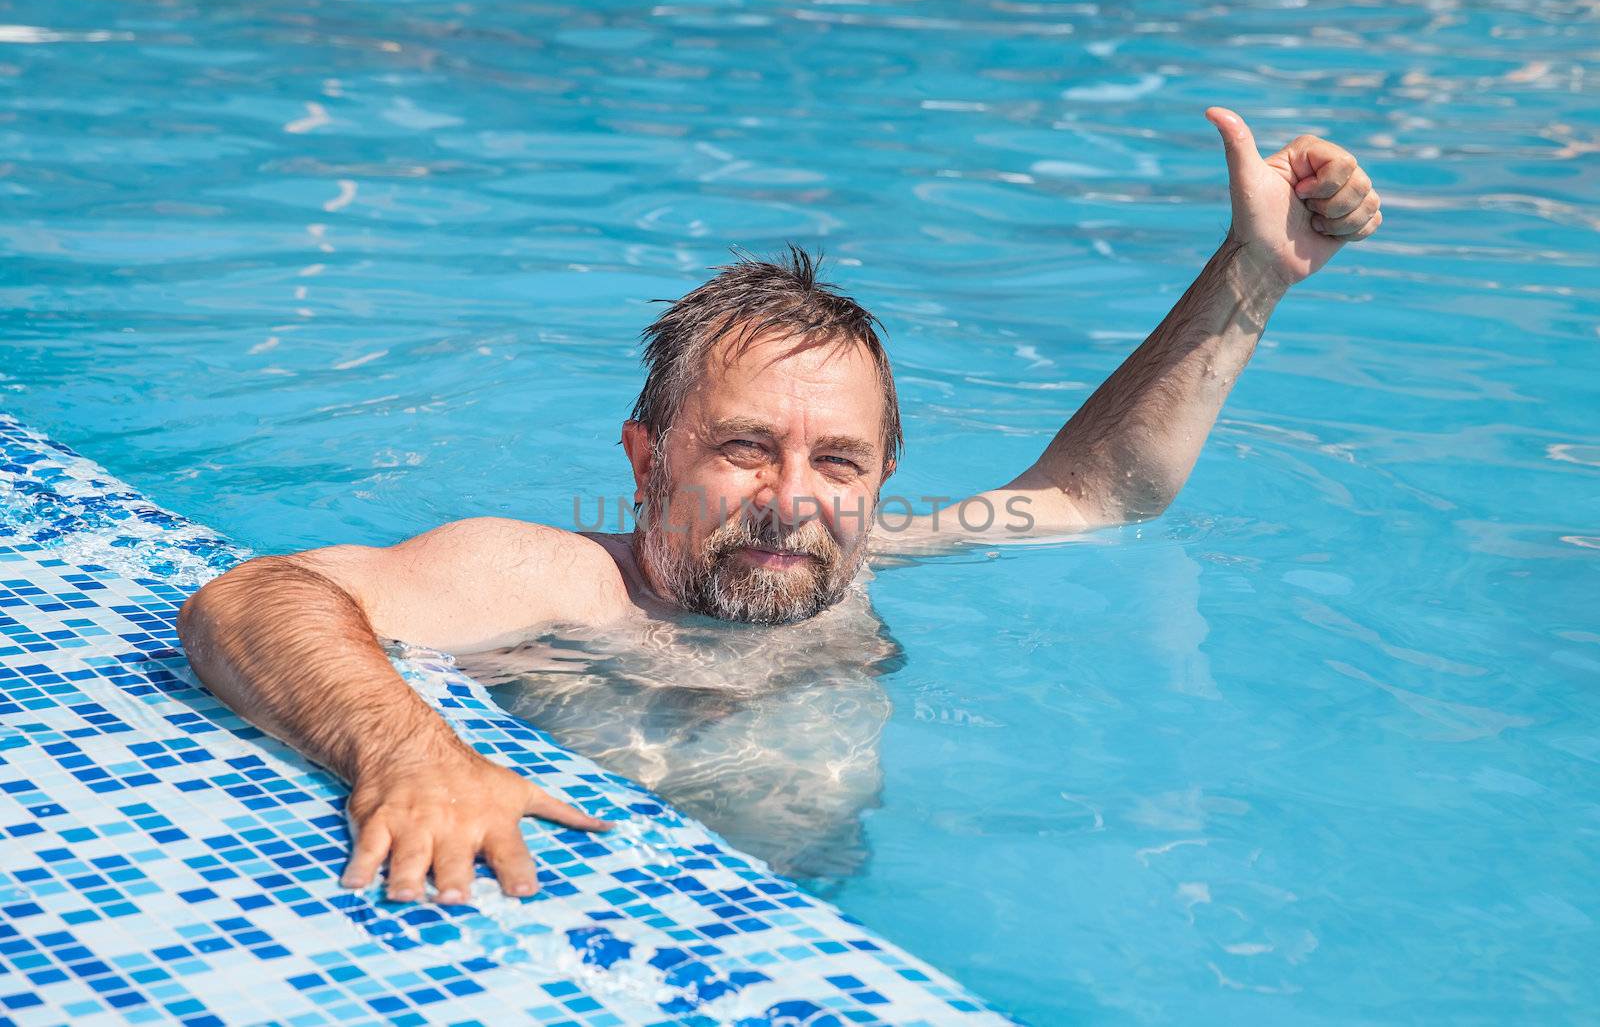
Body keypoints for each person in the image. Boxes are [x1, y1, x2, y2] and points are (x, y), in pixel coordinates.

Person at [177, 107, 1382, 905]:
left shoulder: (862, 560)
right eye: (745, 449)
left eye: (839, 463)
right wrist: (411, 757)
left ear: (880, 483)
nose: (793, 501)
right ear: (646, 461)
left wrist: (1249, 278)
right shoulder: (550, 580)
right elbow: (254, 595)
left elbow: (1093, 493)